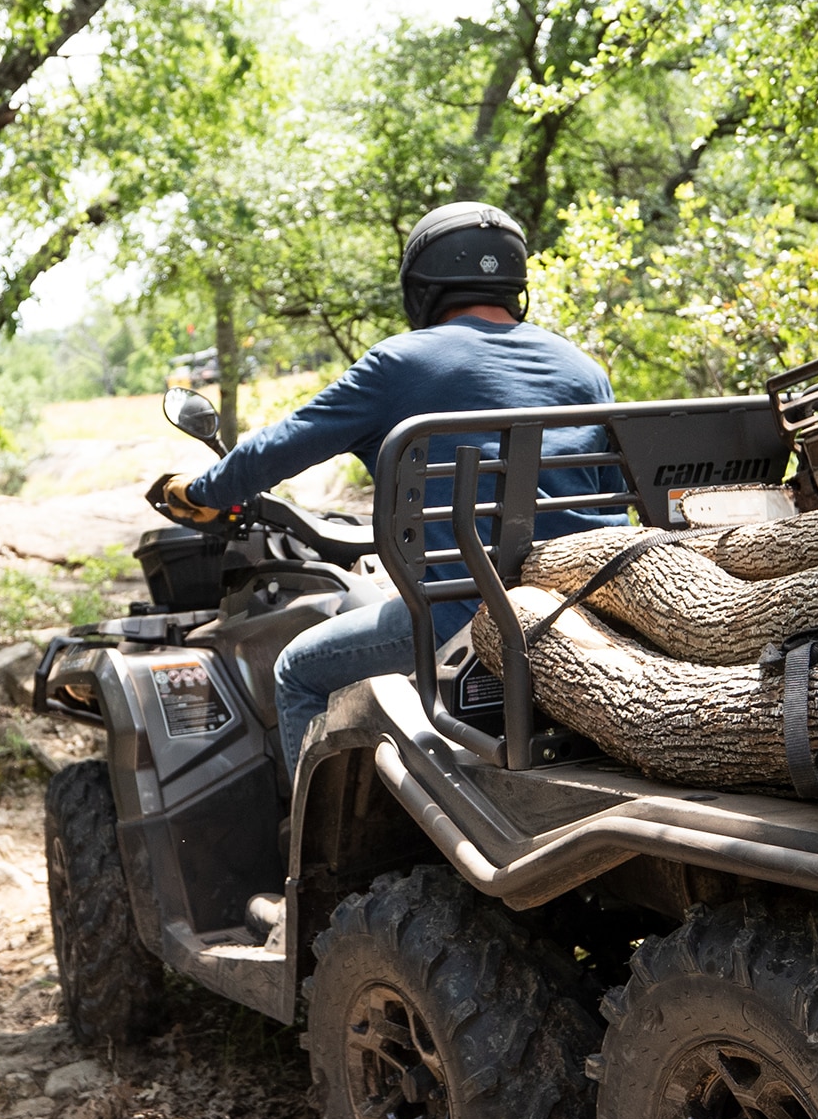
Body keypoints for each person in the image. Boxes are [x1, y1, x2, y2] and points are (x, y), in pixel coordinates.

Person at [147, 202, 623, 771]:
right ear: (514, 283)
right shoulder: (582, 368)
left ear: (423, 285)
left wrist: (199, 492)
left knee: (296, 671)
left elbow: (280, 446)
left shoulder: (401, 364)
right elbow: (611, 497)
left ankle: (310, 853)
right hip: (582, 608)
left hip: (466, 622)